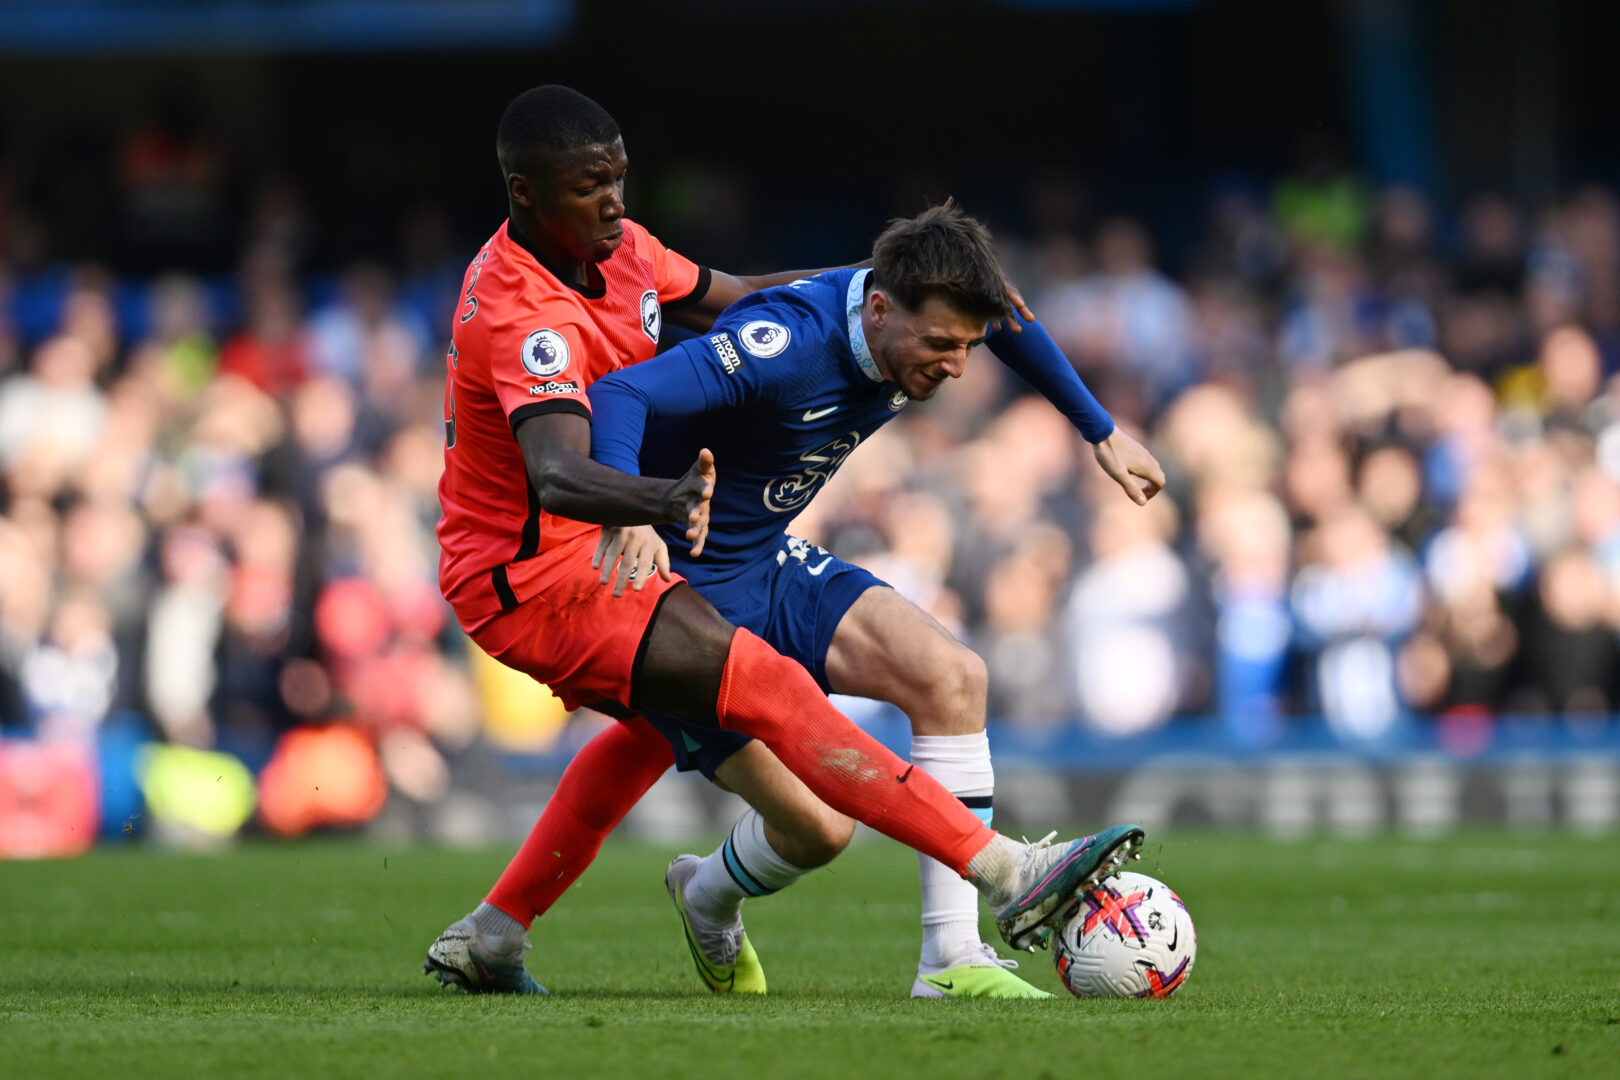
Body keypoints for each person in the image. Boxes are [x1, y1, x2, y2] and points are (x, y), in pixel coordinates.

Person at [424, 86, 1144, 995]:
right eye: (588, 187)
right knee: (775, 724)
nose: (613, 202)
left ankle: (496, 935)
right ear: (525, 192)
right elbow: (559, 472)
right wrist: (647, 503)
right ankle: (1007, 868)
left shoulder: (625, 249)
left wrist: (884, 273)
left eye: (618, 180)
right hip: (538, 578)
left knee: (923, 680)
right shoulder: (521, 311)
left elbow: (736, 292)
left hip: (696, 545)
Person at [585, 201, 1165, 999]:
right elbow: (621, 394)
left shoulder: (923, 309)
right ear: (881, 310)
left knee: (952, 676)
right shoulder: (784, 344)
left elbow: (1007, 318)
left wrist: (1099, 430)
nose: (956, 367)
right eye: (941, 346)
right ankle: (705, 892)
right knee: (820, 831)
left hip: (763, 561)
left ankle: (951, 960)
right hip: (676, 603)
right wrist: (627, 507)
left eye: (966, 347)